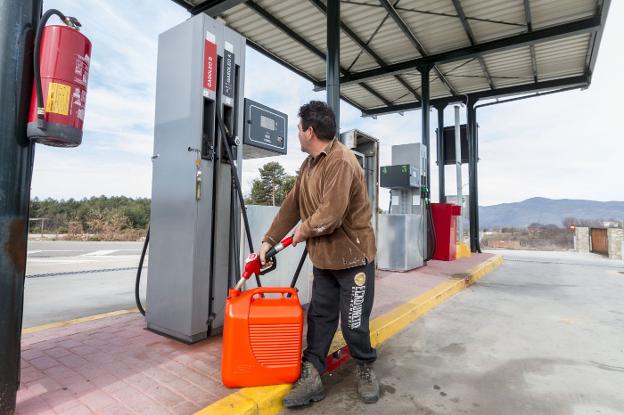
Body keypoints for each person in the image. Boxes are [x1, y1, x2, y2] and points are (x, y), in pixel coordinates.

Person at [258, 100, 379, 407]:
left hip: (354, 261)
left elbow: (331, 213)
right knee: (320, 318)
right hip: (325, 259)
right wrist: (269, 240)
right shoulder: (309, 165)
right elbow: (291, 205)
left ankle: (365, 366)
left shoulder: (341, 161)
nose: (297, 134)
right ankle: (312, 376)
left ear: (309, 132)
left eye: (298, 128)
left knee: (353, 324)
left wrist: (302, 232)